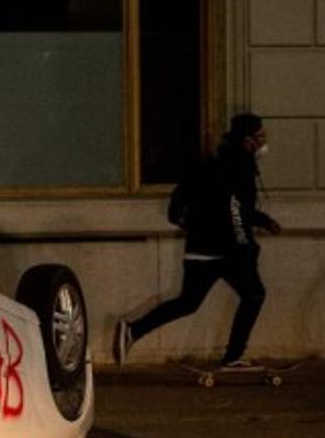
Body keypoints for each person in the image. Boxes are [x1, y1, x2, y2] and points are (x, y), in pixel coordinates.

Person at [114, 112, 281, 368]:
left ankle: (133, 330)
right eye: (260, 136)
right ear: (247, 140)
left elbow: (184, 197)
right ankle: (234, 356)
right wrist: (259, 230)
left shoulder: (212, 163)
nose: (263, 141)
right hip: (227, 250)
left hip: (200, 248)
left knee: (188, 302)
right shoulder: (241, 167)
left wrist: (186, 220)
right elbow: (237, 211)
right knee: (254, 295)